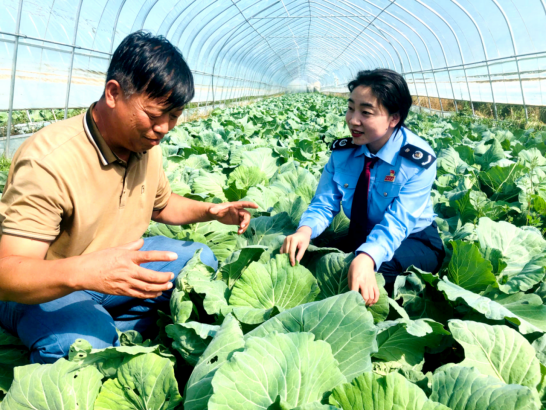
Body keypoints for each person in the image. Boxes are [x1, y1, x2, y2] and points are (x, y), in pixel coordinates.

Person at [0, 31, 257, 364]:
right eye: (154, 115)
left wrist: (211, 211)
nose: (165, 128)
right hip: (48, 285)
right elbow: (7, 273)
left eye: (174, 116)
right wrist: (83, 272)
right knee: (77, 349)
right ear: (113, 93)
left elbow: (162, 205)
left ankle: (106, 327)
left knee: (199, 262)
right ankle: (83, 330)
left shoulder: (146, 147)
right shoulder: (48, 161)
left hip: (113, 271)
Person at [280, 69, 444, 306]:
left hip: (413, 239)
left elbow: (398, 223)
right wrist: (304, 230)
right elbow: (324, 202)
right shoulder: (343, 153)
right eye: (350, 108)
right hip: (363, 234)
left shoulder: (416, 161)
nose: (353, 120)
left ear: (394, 118)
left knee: (376, 276)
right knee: (308, 258)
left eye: (365, 112)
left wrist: (367, 256)